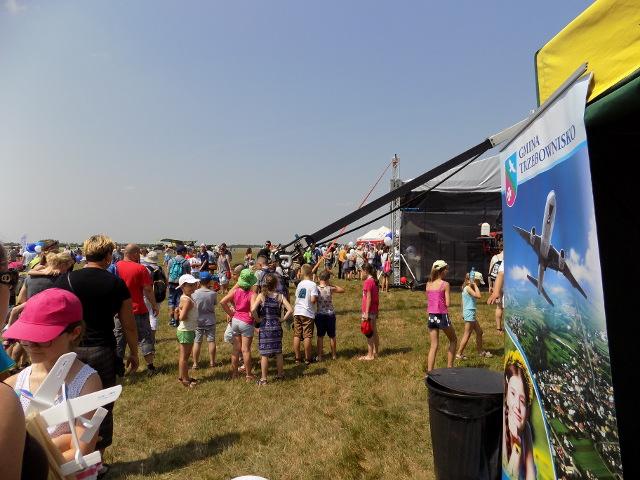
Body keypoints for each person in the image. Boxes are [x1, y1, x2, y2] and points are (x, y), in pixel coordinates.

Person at [54, 234, 138, 464]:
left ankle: (68, 452)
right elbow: (128, 324)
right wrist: (134, 352)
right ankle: (97, 459)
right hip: (102, 349)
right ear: (108, 255)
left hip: (70, 348)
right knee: (102, 405)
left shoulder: (66, 279)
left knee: (67, 402)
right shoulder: (115, 283)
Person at [3, 288, 103, 470]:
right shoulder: (14, 383)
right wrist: (60, 443)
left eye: (42, 338)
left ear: (74, 333)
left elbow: (81, 451)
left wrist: (21, 455)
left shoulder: (86, 382)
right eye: (26, 336)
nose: (30, 345)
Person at [114, 244, 159, 375]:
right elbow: (148, 289)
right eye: (138, 253)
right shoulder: (140, 268)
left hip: (119, 309)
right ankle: (150, 366)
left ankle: (118, 367)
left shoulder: (115, 267)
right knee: (145, 336)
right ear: (134, 254)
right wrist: (154, 305)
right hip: (138, 308)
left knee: (119, 338)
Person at [251, 273, 293, 385]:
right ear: (276, 284)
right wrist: (283, 319)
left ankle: (264, 379)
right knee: (278, 352)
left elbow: (253, 309)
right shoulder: (280, 296)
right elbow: (290, 309)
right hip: (276, 327)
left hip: (265, 327)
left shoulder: (261, 296)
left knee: (264, 354)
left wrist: (258, 319)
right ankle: (280, 375)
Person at [503, 350, 536, 480]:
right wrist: (516, 444)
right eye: (512, 393)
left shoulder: (525, 428)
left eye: (522, 401)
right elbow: (508, 476)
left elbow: (530, 473)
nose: (516, 405)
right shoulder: (502, 422)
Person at [220, 269, 257, 380]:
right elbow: (253, 309)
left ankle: (234, 373)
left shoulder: (235, 291)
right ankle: (248, 375)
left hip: (235, 321)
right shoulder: (252, 294)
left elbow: (222, 302)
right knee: (246, 350)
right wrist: (256, 318)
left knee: (236, 349)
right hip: (246, 322)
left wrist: (231, 313)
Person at [425, 260, 457, 373]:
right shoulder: (445, 284)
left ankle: (429, 372)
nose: (447, 271)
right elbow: (448, 303)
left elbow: (429, 300)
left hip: (431, 316)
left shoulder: (428, 284)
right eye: (446, 269)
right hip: (442, 316)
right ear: (442, 271)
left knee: (433, 345)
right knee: (453, 339)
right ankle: (449, 368)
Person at [456, 272, 492, 360]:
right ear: (474, 280)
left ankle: (480, 351)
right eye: (478, 282)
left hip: (470, 313)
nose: (479, 284)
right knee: (467, 334)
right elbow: (479, 296)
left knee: (479, 332)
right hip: (470, 313)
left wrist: (462, 312)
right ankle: (459, 354)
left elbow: (463, 302)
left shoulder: (467, 288)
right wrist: (475, 285)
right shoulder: (468, 288)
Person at [175, 274, 200, 387]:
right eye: (190, 285)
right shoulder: (187, 300)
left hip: (187, 330)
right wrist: (180, 312)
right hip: (186, 331)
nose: (193, 287)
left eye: (194, 284)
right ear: (182, 287)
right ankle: (185, 379)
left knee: (184, 356)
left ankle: (182, 376)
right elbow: (182, 317)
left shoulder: (186, 297)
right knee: (184, 357)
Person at [315, 270, 344, 361]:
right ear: (328, 279)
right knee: (332, 336)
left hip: (320, 314)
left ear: (319, 278)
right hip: (330, 314)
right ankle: (334, 355)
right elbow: (342, 290)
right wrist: (331, 284)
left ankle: (319, 356)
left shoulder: (316, 288)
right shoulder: (330, 288)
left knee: (320, 336)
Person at [191, 271, 218, 369]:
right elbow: (214, 303)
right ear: (209, 281)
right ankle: (212, 362)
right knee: (211, 341)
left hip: (198, 321)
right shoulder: (213, 293)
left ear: (199, 281)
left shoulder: (194, 293)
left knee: (197, 342)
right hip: (210, 320)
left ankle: (195, 363)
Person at [293, 264, 318, 365]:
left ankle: (297, 358)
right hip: (307, 312)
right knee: (307, 335)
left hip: (297, 311)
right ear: (311, 272)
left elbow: (297, 297)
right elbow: (313, 300)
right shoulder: (313, 285)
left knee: (297, 334)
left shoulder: (300, 284)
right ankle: (308, 358)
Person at [166, 245, 191, 327]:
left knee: (171, 301)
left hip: (171, 283)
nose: (186, 253)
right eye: (185, 252)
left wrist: (167, 283)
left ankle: (171, 320)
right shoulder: (186, 262)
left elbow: (168, 272)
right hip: (180, 284)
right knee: (179, 301)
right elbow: (189, 275)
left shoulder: (171, 260)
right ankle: (177, 321)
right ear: (183, 252)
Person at [359, 263, 380, 360]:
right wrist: (377, 310)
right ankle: (376, 352)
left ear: (366, 271)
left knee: (369, 332)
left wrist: (366, 313)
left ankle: (370, 355)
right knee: (374, 331)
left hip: (369, 311)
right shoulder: (374, 281)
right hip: (374, 310)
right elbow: (377, 297)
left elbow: (369, 298)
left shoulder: (368, 282)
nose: (361, 273)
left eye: (361, 271)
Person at [488, 243, 504, 334]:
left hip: (497, 284)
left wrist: (490, 286)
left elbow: (490, 273)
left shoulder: (495, 258)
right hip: (507, 283)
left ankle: (498, 328)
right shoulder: (510, 256)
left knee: (499, 307)